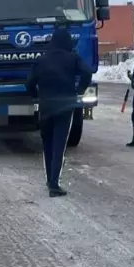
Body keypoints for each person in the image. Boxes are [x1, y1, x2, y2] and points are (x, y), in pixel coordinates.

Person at [26, 28, 92, 197]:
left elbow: (29, 83)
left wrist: (36, 95)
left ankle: (49, 179)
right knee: (59, 145)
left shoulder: (41, 60)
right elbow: (87, 72)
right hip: (65, 107)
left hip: (46, 106)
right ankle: (54, 184)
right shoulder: (72, 58)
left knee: (47, 144)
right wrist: (80, 90)